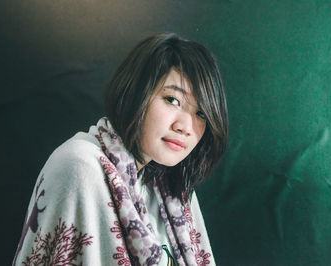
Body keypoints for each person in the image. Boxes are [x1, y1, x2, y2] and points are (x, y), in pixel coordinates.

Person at [13, 32, 228, 266]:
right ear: (136, 93)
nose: (185, 127)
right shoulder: (80, 167)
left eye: (201, 114)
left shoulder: (171, 186)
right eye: (172, 100)